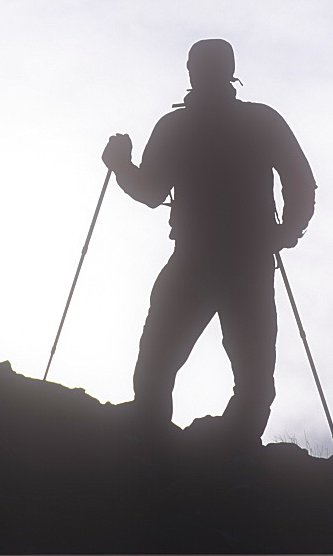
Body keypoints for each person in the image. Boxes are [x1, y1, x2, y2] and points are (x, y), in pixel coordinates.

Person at [102, 39, 316, 447]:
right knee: (246, 366)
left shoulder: (177, 126)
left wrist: (119, 165)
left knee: (162, 356)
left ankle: (154, 441)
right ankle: (227, 451)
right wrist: (286, 232)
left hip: (200, 257)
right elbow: (300, 180)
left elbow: (149, 191)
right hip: (244, 258)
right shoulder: (258, 120)